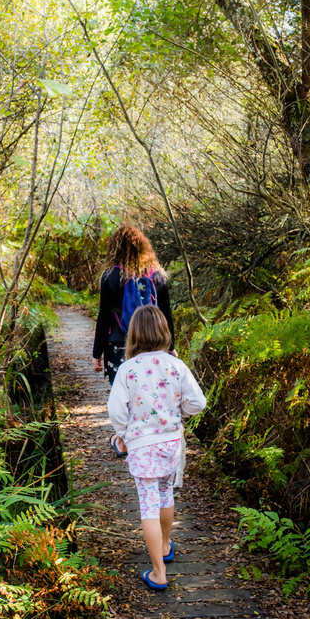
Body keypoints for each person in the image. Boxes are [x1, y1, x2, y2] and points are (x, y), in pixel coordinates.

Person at [107, 305, 206, 591]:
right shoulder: (176, 365)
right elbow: (198, 403)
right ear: (164, 331)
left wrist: (124, 434)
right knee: (165, 493)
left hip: (143, 446)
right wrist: (179, 412)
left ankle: (159, 572)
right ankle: (164, 545)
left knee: (148, 503)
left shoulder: (127, 369)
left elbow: (116, 411)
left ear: (134, 334)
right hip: (171, 443)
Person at [92, 225, 175, 396]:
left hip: (118, 342)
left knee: (122, 394)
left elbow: (104, 317)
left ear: (115, 249)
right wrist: (171, 346)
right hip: (153, 343)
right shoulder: (157, 276)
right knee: (150, 392)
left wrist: (96, 353)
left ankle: (125, 423)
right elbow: (166, 314)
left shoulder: (110, 277)